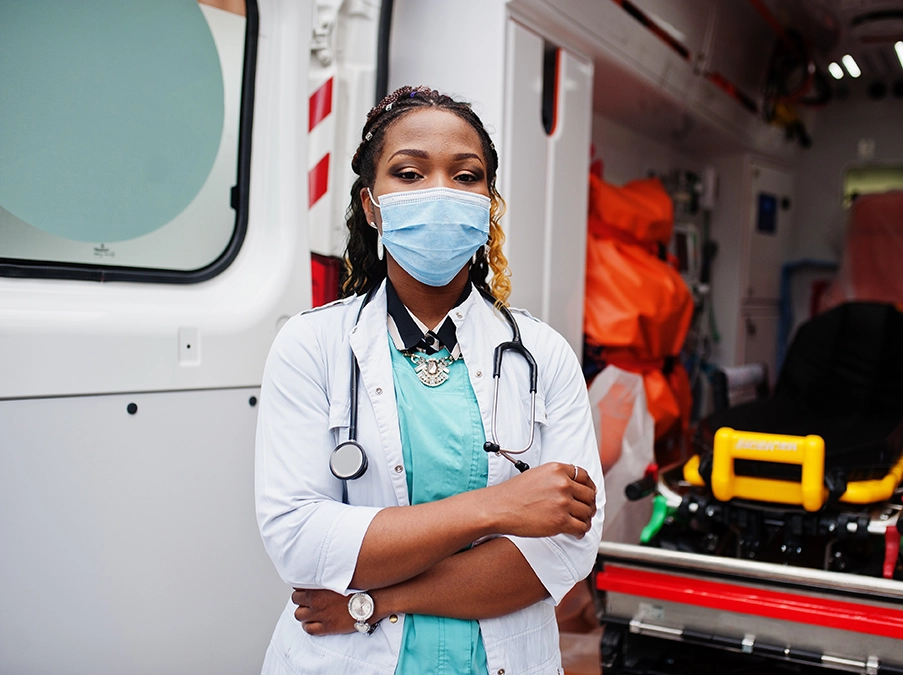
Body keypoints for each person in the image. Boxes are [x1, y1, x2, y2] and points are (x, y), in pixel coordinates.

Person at [255, 86, 604, 675]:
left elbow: (562, 551)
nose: (440, 192)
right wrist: (498, 509)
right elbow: (299, 542)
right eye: (410, 173)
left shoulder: (543, 354)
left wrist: (376, 599)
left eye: (466, 177)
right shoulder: (311, 346)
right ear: (372, 205)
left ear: (488, 201)